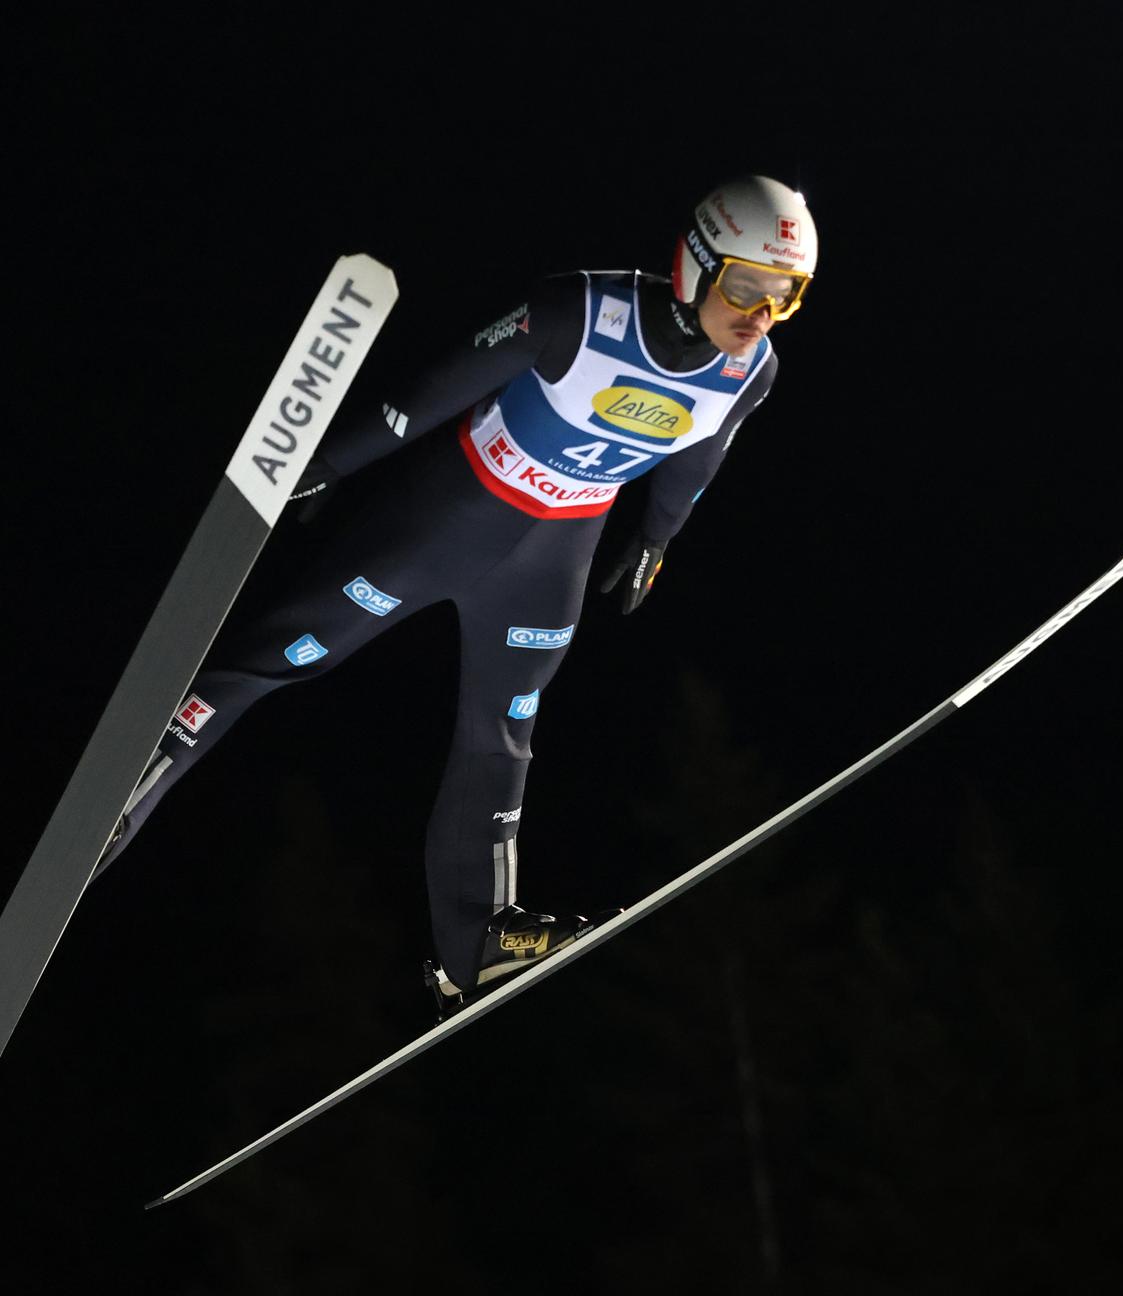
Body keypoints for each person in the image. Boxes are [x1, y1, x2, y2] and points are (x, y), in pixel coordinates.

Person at [96, 175, 819, 1013]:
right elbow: (436, 391)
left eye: (786, 298)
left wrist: (656, 538)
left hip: (553, 564)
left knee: (503, 738)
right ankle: (128, 791)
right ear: (694, 265)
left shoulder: (751, 370)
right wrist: (326, 464)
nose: (760, 315)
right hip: (450, 520)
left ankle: (475, 939)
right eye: (747, 287)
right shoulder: (579, 312)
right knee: (284, 656)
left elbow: (700, 458)